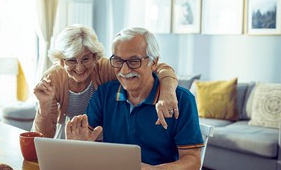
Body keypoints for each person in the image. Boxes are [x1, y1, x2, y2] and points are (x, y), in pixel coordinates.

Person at [65, 27, 203, 170]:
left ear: (154, 62)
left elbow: (192, 161)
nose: (124, 70)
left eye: (133, 61)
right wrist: (78, 148)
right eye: (118, 61)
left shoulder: (182, 100)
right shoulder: (104, 94)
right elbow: (85, 140)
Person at [32, 24, 179, 139]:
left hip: (105, 142)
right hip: (70, 140)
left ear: (95, 57)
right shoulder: (52, 79)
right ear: (61, 62)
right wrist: (44, 105)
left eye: (86, 59)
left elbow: (160, 68)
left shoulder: (107, 68)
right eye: (71, 60)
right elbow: (43, 138)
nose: (79, 68)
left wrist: (167, 93)